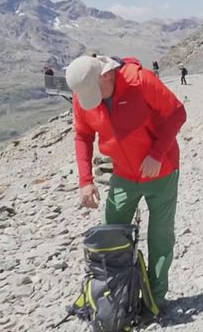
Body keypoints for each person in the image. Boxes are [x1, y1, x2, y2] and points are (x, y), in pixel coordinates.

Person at [66, 54, 187, 311]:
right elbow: (83, 135)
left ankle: (155, 300)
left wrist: (157, 154)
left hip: (161, 172)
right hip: (123, 175)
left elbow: (177, 113)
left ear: (107, 75)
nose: (92, 100)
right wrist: (86, 180)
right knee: (110, 234)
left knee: (160, 237)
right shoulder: (84, 92)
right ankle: (116, 297)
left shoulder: (140, 81)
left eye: (95, 93)